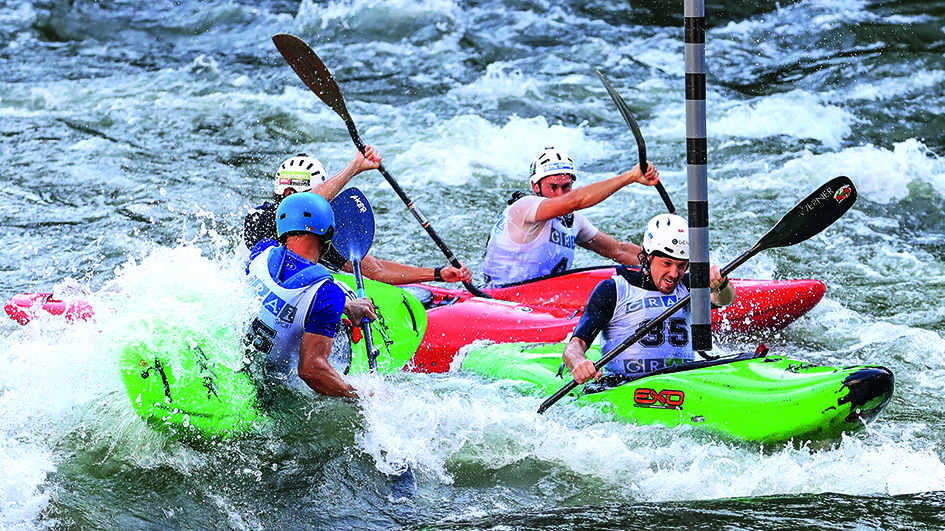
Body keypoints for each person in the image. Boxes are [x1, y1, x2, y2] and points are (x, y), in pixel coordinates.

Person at [244, 148, 472, 285]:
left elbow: (375, 269)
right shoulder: (258, 220)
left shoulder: (319, 237)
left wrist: (438, 274)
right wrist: (354, 168)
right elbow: (303, 205)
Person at [562, 213, 737, 384]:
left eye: (682, 265)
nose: (674, 274)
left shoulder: (689, 286)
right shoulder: (613, 290)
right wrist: (578, 361)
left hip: (683, 382)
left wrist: (721, 283)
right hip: (625, 385)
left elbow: (725, 299)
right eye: (667, 263)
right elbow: (575, 345)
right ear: (648, 257)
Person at [245, 192, 372, 397]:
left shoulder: (261, 252)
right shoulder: (328, 295)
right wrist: (364, 394)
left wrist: (345, 305)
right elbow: (312, 371)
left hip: (236, 363)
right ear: (328, 236)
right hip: (271, 390)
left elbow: (279, 295)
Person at [481, 147, 661, 286]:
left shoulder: (575, 222)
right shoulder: (524, 207)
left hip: (542, 300)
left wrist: (665, 265)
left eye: (566, 186)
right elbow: (574, 201)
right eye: (553, 187)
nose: (561, 194)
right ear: (536, 186)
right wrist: (631, 176)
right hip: (499, 295)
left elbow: (618, 250)